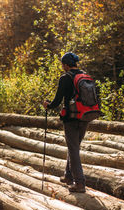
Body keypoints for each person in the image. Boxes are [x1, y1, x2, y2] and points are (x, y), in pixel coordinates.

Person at [42, 52, 88, 193]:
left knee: (73, 149)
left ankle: (79, 183)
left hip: (71, 119)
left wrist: (47, 105)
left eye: (62, 64)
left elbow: (56, 101)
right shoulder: (85, 76)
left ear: (66, 65)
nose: (62, 67)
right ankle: (68, 176)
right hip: (85, 117)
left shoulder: (65, 78)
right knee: (74, 147)